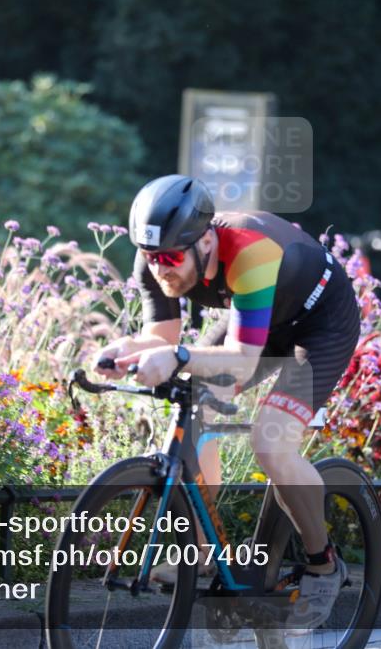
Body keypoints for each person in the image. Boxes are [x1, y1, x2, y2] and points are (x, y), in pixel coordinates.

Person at [94, 174, 361, 629]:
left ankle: (324, 563)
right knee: (196, 405)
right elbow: (161, 336)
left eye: (171, 258)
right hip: (260, 317)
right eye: (151, 258)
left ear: (205, 241)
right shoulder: (158, 254)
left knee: (271, 443)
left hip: (320, 324)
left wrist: (178, 357)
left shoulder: (250, 253)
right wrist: (124, 351)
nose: (160, 269)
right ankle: (199, 552)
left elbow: (240, 361)